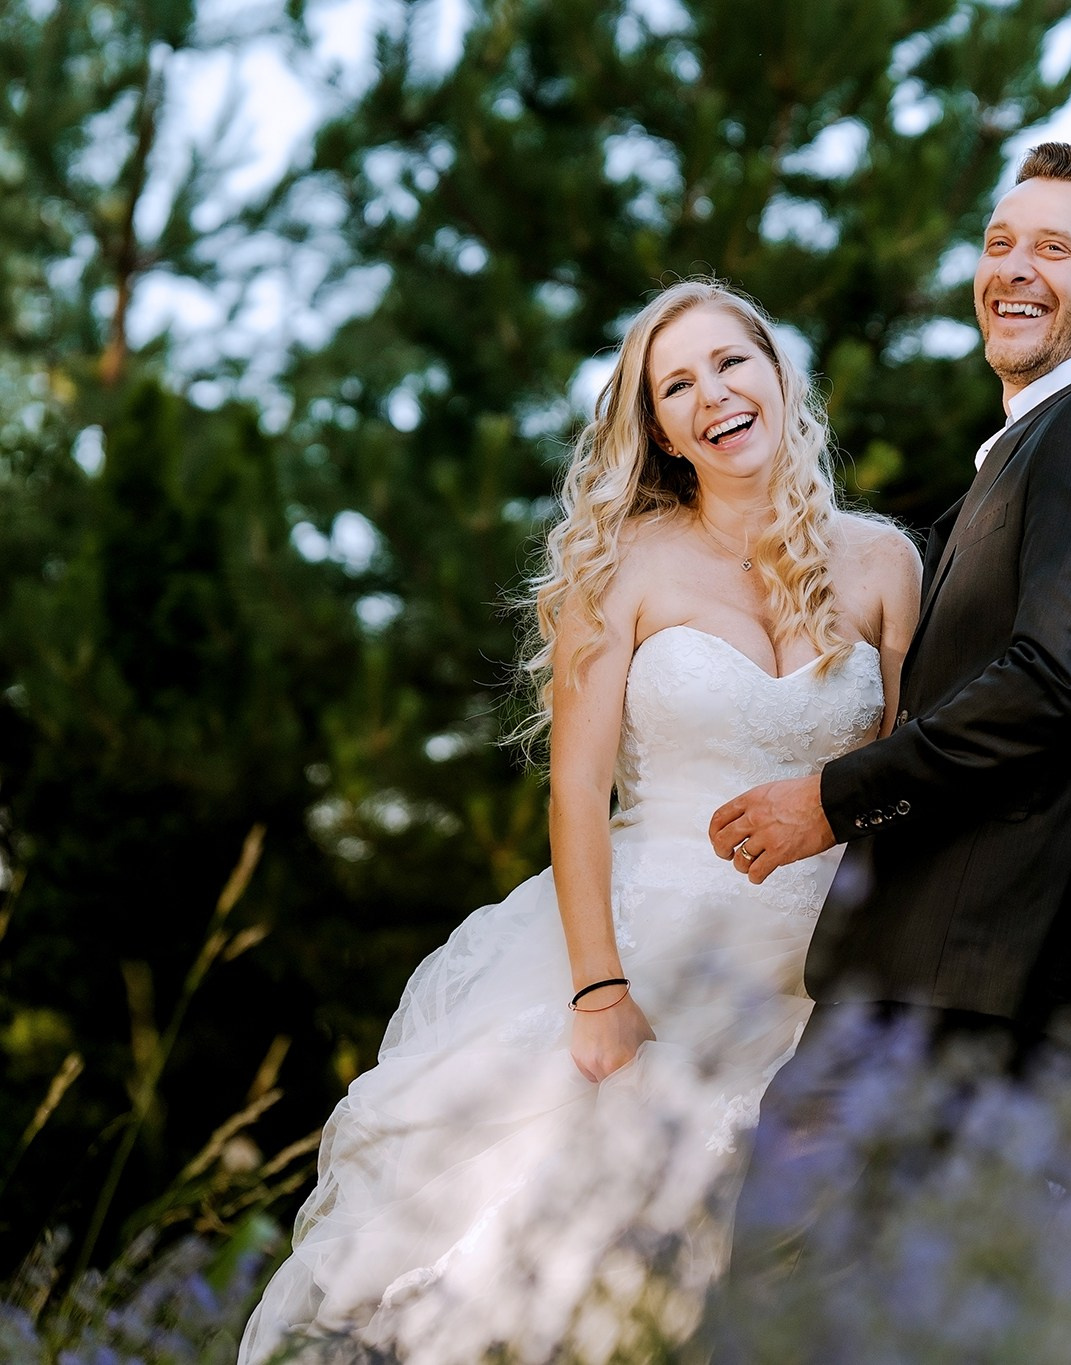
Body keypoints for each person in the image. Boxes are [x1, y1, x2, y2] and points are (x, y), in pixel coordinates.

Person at [238, 279, 919, 1364]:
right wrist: (599, 990)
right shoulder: (626, 565)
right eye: (676, 387)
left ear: (779, 375)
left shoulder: (886, 565)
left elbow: (896, 782)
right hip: (644, 968)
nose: (713, 396)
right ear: (659, 430)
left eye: (729, 364)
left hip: (808, 986)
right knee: (541, 1279)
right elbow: (574, 795)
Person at [711, 142, 1071, 1295]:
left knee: (783, 1302)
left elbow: (1055, 678)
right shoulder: (1021, 457)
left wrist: (826, 803)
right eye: (997, 243)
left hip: (971, 981)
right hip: (938, 980)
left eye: (1053, 247)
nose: (1013, 268)